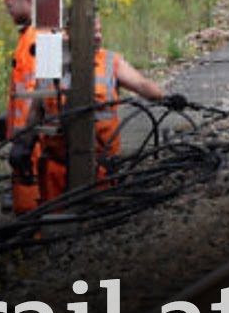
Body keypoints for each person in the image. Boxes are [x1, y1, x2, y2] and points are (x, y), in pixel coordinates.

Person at [14, 16, 184, 204]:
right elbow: (37, 109)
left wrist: (166, 97)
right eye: (92, 32)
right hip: (57, 171)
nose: (98, 36)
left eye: (99, 31)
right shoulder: (51, 57)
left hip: (101, 169)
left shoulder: (109, 61)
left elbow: (141, 84)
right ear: (69, 33)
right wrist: (24, 144)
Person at [0, 0, 43, 214]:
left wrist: (27, 137)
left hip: (35, 139)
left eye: (10, 6)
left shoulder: (43, 35)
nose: (8, 12)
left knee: (32, 202)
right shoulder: (28, 36)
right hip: (26, 135)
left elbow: (45, 89)